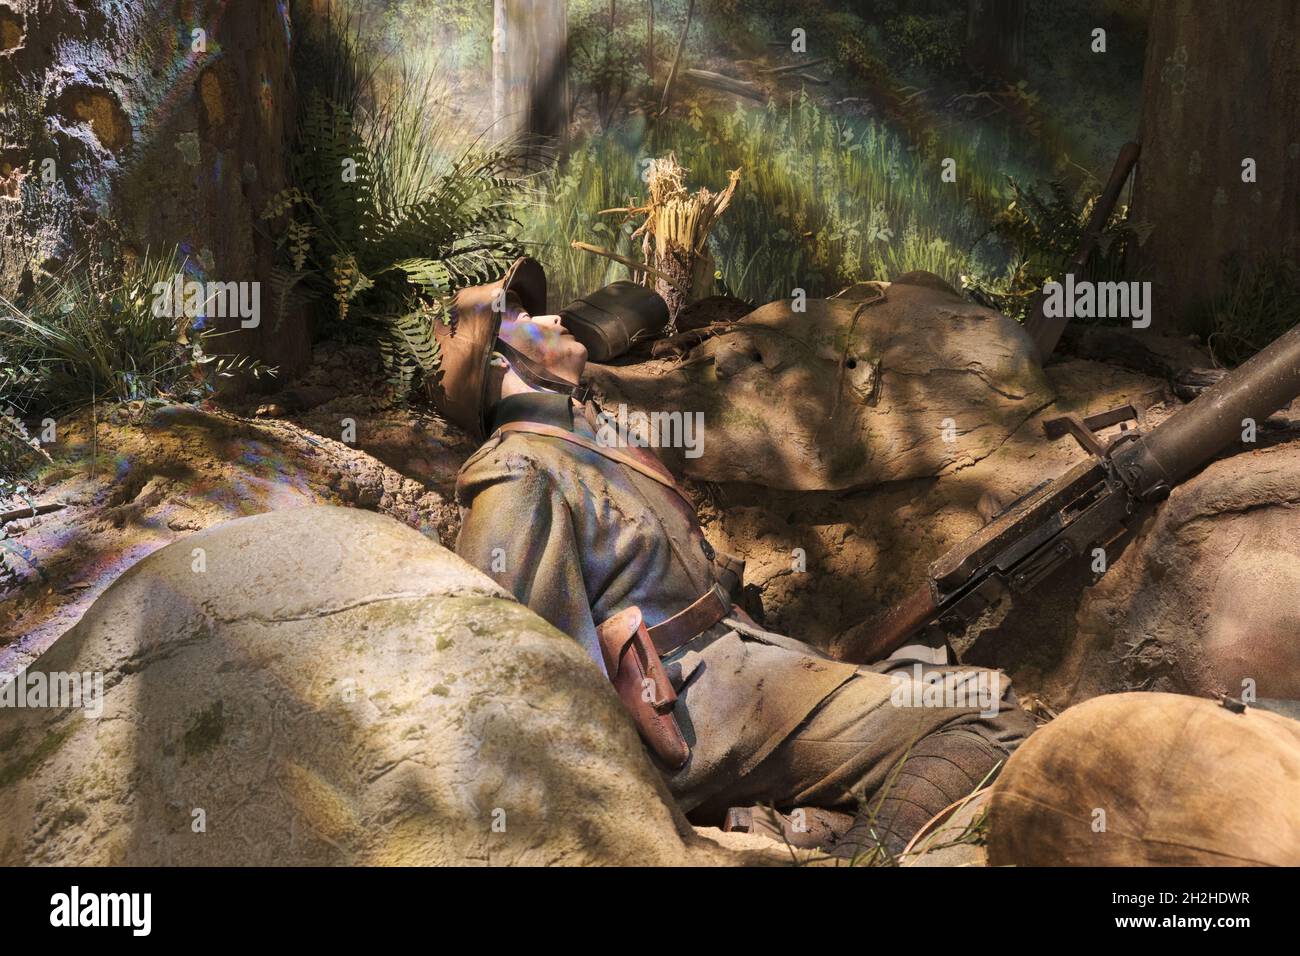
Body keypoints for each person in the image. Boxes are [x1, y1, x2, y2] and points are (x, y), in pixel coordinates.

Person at [434, 258, 1036, 856]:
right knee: (982, 707)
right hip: (690, 712)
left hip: (738, 672)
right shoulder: (518, 470)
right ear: (496, 362)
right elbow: (531, 672)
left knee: (927, 671)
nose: (554, 315)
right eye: (522, 318)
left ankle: (807, 824)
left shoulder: (587, 439)